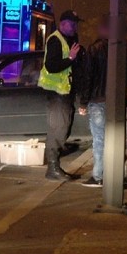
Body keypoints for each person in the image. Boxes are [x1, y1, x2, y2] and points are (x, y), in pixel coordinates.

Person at [76, 16, 127, 188]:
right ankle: (119, 175)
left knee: (99, 140)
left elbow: (88, 77)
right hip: (118, 102)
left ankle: (98, 176)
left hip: (97, 101)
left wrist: (83, 102)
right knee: (117, 140)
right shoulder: (124, 50)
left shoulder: (94, 49)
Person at [38, 10, 82, 180]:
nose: (75, 27)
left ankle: (55, 165)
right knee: (58, 128)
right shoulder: (55, 40)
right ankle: (53, 168)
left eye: (76, 23)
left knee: (64, 128)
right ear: (63, 24)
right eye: (72, 24)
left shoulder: (69, 40)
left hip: (65, 93)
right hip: (56, 93)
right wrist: (71, 58)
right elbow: (51, 66)